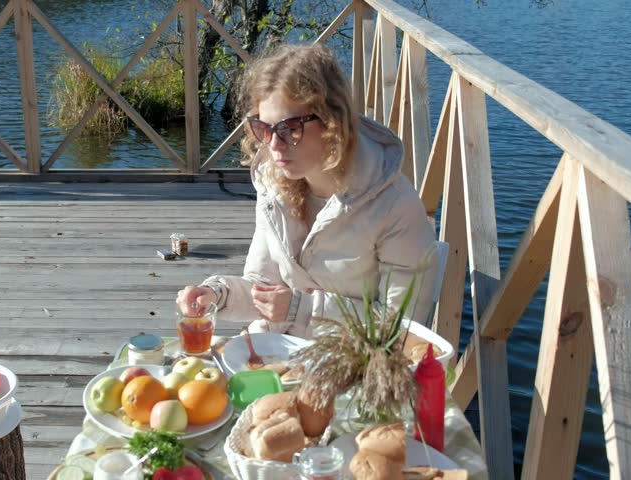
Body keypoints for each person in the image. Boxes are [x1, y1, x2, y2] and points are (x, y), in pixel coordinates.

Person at [176, 43, 438, 337]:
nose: (274, 145)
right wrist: (217, 294)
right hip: (279, 355)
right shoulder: (273, 186)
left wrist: (299, 309)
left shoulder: (394, 205)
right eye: (264, 128)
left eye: (290, 128)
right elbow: (263, 288)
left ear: (332, 122)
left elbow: (402, 329)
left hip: (360, 370)